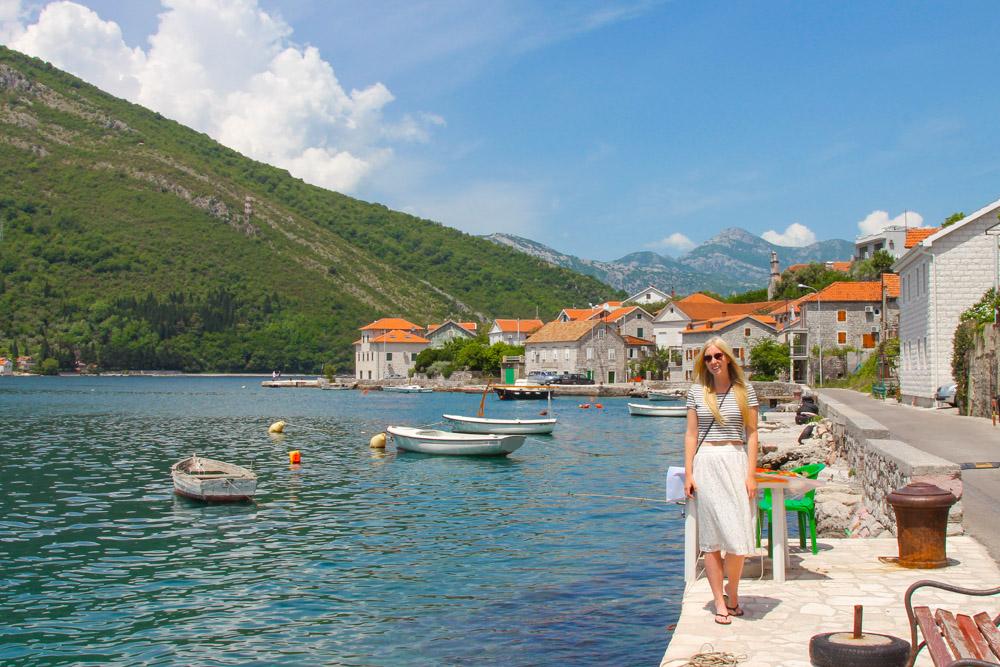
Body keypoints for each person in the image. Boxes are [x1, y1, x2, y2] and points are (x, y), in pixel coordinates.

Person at [683, 336, 759, 625]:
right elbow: (691, 434)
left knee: (738, 537)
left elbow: (752, 434)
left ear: (728, 358)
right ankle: (719, 601)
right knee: (712, 538)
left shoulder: (745, 391)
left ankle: (733, 591)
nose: (713, 361)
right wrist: (689, 472)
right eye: (708, 357)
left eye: (718, 356)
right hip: (707, 463)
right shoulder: (696, 392)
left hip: (735, 459)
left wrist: (751, 474)